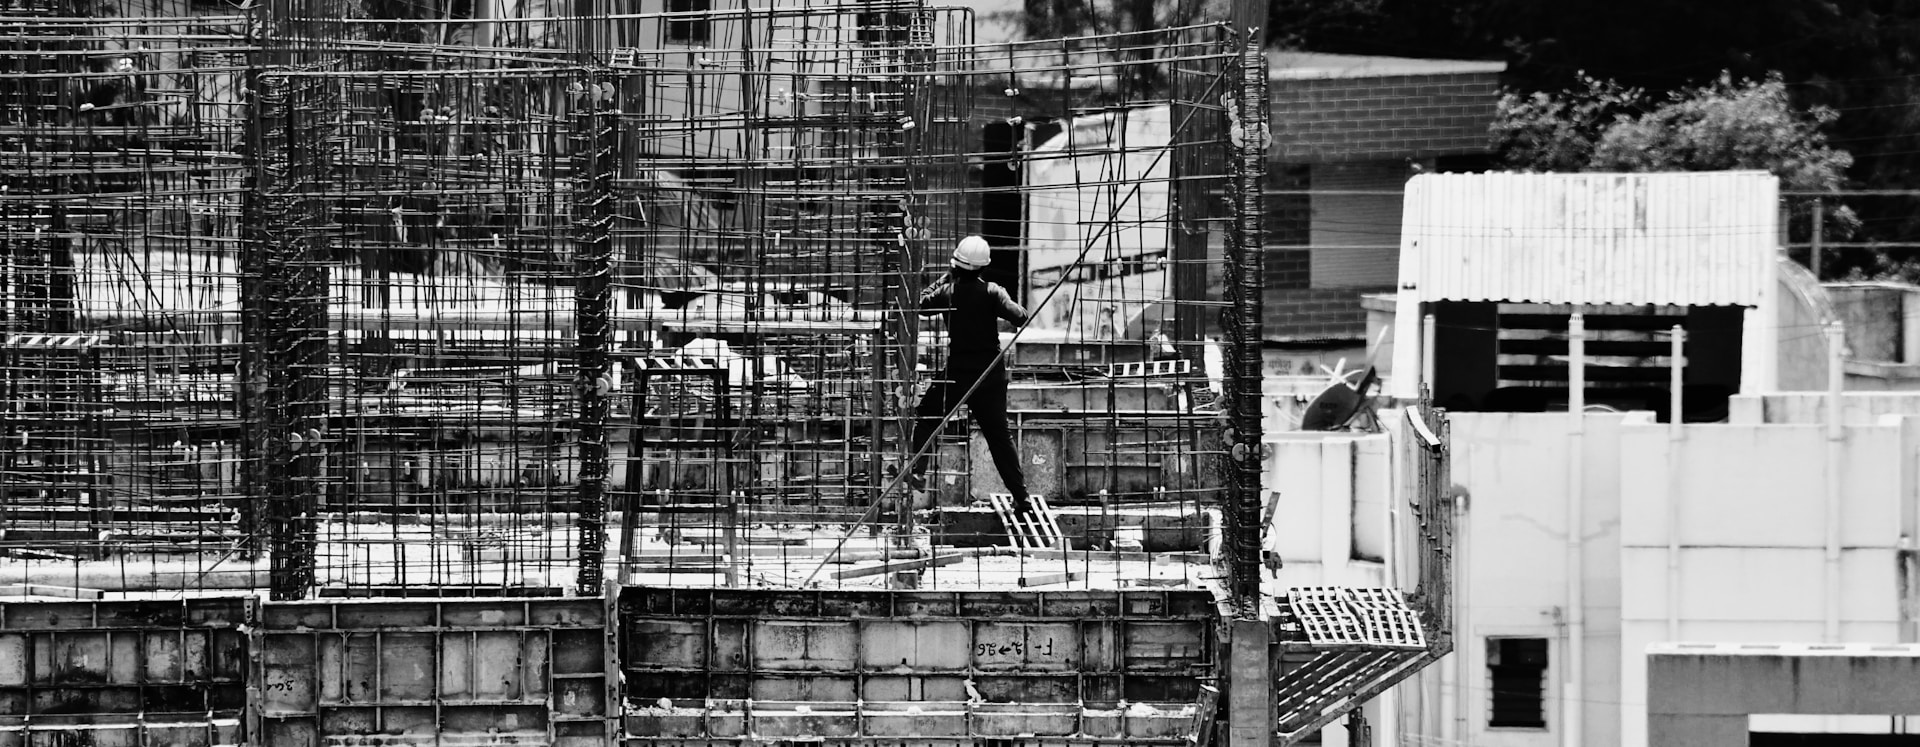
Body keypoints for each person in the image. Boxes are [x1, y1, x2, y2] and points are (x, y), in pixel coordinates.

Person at [905, 235, 1033, 512]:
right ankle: (1022, 497)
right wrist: (1004, 300)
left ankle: (917, 472)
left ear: (956, 264)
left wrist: (943, 279)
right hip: (990, 373)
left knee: (927, 416)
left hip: (959, 372)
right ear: (983, 267)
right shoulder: (992, 291)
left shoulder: (947, 292)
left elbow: (920, 304)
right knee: (999, 437)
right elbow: (1021, 316)